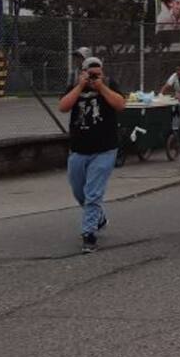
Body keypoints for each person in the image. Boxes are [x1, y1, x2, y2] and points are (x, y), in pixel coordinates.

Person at [58, 56, 126, 253]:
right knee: (79, 191)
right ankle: (99, 217)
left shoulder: (109, 84)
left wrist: (101, 87)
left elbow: (120, 105)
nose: (94, 75)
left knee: (93, 192)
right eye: (90, 72)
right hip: (78, 149)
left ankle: (89, 234)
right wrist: (80, 86)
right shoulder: (74, 85)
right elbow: (63, 107)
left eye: (97, 71)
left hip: (104, 149)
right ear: (83, 72)